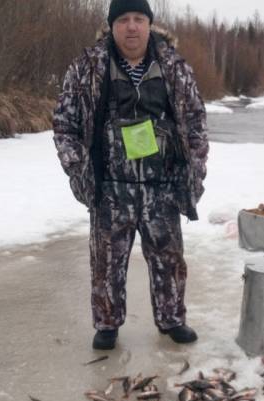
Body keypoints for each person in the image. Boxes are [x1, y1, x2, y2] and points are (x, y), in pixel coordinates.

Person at [53, 0, 209, 350]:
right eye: (123, 19)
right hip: (110, 188)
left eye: (139, 18)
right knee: (106, 262)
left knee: (169, 260)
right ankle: (107, 324)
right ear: (111, 25)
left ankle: (172, 319)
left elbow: (196, 120)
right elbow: (64, 123)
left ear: (150, 24)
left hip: (162, 186)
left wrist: (195, 165)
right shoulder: (87, 67)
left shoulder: (174, 66)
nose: (132, 27)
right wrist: (77, 165)